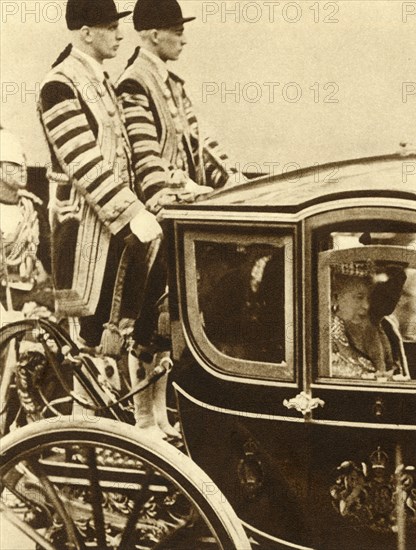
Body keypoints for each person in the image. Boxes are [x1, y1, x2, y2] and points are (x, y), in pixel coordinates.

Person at [37, 0, 179, 441]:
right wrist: (133, 211)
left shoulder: (100, 83)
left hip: (115, 227)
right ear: (85, 32)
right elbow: (84, 163)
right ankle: (83, 436)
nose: (121, 35)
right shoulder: (59, 85)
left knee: (122, 327)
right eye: (110, 27)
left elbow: (130, 160)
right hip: (80, 233)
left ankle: (129, 428)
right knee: (86, 337)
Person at [116, 0, 244, 213]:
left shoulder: (173, 83)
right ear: (155, 36)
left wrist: (233, 178)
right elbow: (146, 159)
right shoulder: (133, 83)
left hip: (186, 206)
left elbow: (199, 144)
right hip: (162, 212)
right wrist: (191, 191)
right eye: (178, 32)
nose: (184, 41)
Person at [0, 127, 52, 314]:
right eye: (14, 163)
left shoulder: (33, 209)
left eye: (23, 160)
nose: (23, 167)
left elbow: (50, 258)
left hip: (33, 296)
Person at [330, 261, 409, 380]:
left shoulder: (383, 327)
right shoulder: (323, 335)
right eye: (359, 297)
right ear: (336, 297)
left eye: (368, 298)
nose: (366, 305)